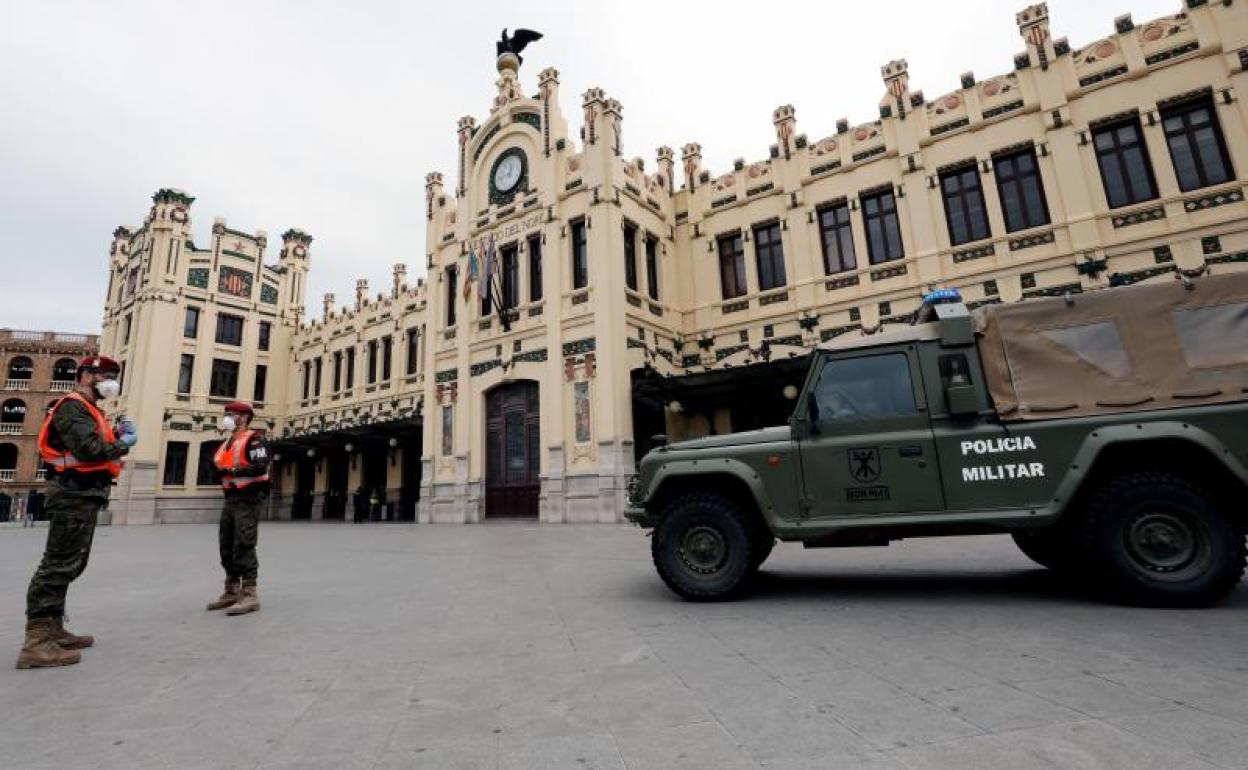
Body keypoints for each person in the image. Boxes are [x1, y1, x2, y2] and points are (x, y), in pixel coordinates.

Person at [16, 356, 135, 669]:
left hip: (83, 493)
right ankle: (37, 642)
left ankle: (53, 630)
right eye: (105, 375)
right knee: (58, 564)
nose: (110, 381)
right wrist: (123, 444)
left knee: (71, 562)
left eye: (113, 375)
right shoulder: (73, 405)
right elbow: (89, 450)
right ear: (86, 376)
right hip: (73, 493)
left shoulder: (90, 409)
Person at [205, 402, 270, 616]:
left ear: (243, 417)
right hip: (231, 499)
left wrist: (233, 469)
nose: (227, 418)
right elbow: (215, 466)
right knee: (226, 545)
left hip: (248, 498)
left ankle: (249, 593)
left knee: (244, 542)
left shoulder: (254, 438)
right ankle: (231, 591)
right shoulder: (227, 442)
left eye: (231, 414)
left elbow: (261, 464)